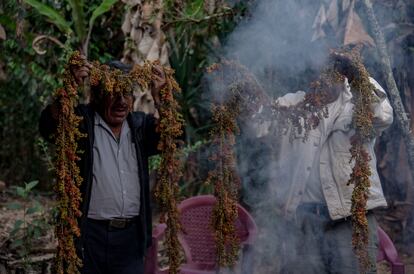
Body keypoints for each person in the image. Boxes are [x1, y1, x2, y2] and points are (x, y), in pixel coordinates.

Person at [253, 56, 394, 273]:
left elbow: (382, 115)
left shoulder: (359, 102)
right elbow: (259, 125)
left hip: (351, 220)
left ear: (343, 75)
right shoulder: (294, 104)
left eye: (332, 72)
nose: (325, 78)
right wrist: (247, 94)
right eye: (320, 72)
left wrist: (361, 77)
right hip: (304, 222)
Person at [39, 57, 166, 274]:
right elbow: (49, 126)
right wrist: (68, 87)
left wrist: (161, 98)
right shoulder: (81, 122)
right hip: (89, 236)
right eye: (112, 92)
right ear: (96, 95)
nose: (121, 101)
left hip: (131, 238)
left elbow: (176, 136)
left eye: (126, 93)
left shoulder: (140, 126)